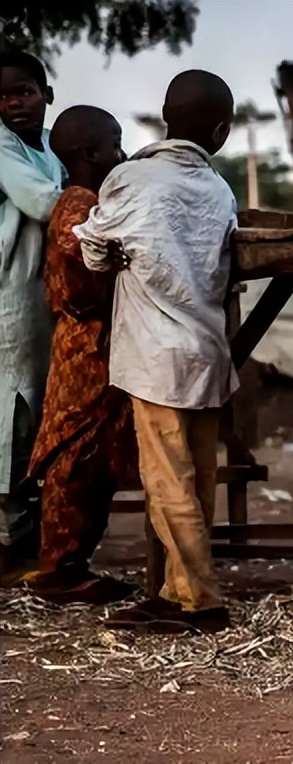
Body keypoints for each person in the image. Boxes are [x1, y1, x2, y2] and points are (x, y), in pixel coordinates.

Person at [75, 70, 239, 632]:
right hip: (207, 351)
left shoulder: (131, 178)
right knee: (199, 480)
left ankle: (198, 599)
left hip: (156, 355)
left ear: (166, 116)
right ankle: (179, 586)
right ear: (219, 131)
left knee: (169, 483)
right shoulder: (220, 189)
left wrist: (117, 259)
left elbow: (93, 247)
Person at [21, 105, 137, 604]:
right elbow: (89, 267)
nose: (122, 152)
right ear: (90, 153)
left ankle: (73, 565)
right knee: (75, 456)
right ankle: (59, 569)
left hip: (95, 343)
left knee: (97, 458)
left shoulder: (91, 201)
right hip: (84, 345)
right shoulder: (78, 206)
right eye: (114, 143)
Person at [0, 51, 63, 582]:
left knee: (35, 409)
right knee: (12, 414)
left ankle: (23, 538)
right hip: (10, 300)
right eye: (4, 96)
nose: (15, 102)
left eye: (24, 90)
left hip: (41, 302)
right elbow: (43, 203)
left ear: (47, 92)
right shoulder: (2, 148)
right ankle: (7, 540)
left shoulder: (49, 151)